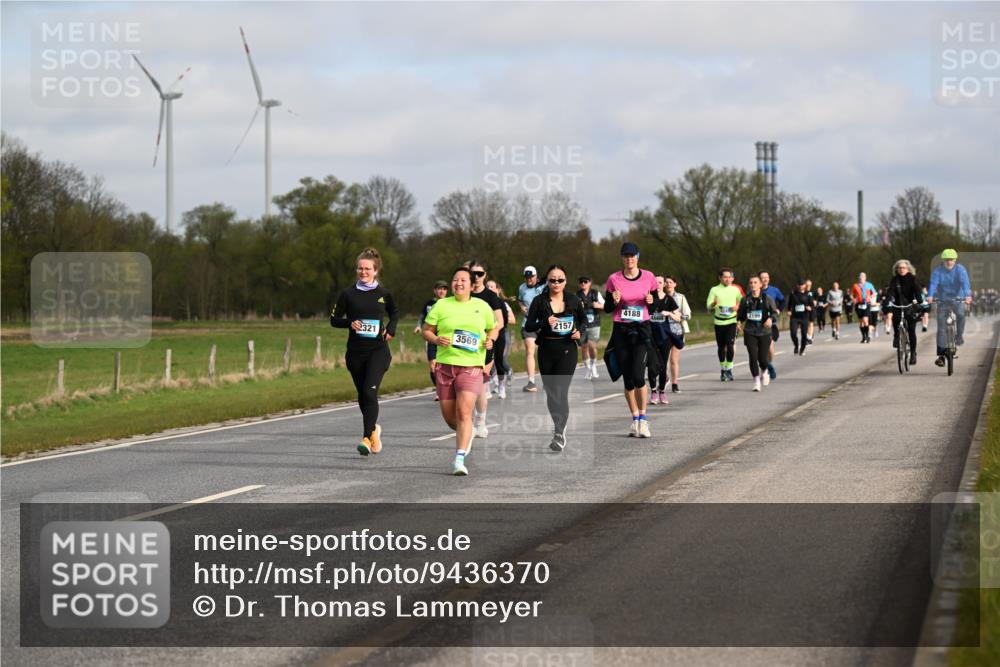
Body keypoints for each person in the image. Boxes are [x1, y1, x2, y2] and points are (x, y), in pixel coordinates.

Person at [422, 267, 496, 476]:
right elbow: (427, 330)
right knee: (449, 416)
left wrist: (490, 339)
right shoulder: (441, 305)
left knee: (464, 411)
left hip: (472, 366)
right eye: (455, 280)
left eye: (463, 280)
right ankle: (468, 431)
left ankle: (459, 459)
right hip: (445, 367)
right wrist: (436, 339)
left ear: (472, 285)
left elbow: (494, 327)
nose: (458, 283)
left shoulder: (482, 306)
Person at [330, 247, 399, 456]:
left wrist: (392, 328)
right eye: (360, 268)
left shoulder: (383, 294)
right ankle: (374, 430)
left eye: (367, 269)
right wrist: (350, 323)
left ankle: (366, 438)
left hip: (378, 351)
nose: (363, 272)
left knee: (370, 392)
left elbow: (394, 313)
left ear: (375, 270)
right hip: (355, 353)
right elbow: (334, 320)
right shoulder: (348, 294)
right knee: (363, 396)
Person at [523, 265, 588, 451]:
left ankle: (559, 433)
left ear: (565, 281)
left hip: (567, 349)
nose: (557, 283)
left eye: (560, 279)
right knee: (551, 395)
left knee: (561, 391)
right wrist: (544, 322)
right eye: (553, 280)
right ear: (548, 281)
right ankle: (558, 427)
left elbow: (583, 321)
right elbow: (529, 325)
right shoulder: (539, 301)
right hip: (546, 349)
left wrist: (579, 332)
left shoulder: (573, 300)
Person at [604, 242, 661, 438]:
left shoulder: (649, 277)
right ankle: (634, 419)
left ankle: (644, 421)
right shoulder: (614, 279)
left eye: (633, 256)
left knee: (638, 376)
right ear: (622, 258)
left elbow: (655, 305)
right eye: (626, 256)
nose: (630, 259)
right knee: (628, 380)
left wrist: (652, 302)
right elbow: (607, 308)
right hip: (621, 330)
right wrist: (614, 301)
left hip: (642, 330)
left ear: (638, 257)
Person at [466, 260, 505, 438]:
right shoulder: (463, 293)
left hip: (483, 346)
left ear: (485, 276)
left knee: (479, 384)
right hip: (463, 345)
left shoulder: (491, 297)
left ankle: (480, 422)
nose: (476, 277)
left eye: (480, 274)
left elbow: (499, 322)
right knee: (465, 386)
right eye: (473, 273)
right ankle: (466, 421)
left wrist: (490, 338)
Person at [927, 249, 973, 367]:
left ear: (955, 260)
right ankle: (941, 356)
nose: (949, 262)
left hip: (958, 298)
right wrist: (931, 295)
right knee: (941, 328)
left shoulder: (960, 270)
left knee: (961, 315)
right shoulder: (938, 271)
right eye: (947, 260)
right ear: (943, 260)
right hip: (943, 299)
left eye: (951, 260)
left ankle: (959, 336)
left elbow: (965, 283)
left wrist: (968, 296)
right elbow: (933, 284)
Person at [738, 275, 780, 391]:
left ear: (760, 284)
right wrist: (739, 322)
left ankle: (765, 371)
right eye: (751, 283)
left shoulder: (767, 298)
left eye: (755, 282)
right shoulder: (745, 299)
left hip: (764, 332)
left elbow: (775, 313)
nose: (753, 285)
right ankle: (756, 381)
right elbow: (740, 315)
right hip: (750, 331)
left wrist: (770, 319)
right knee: (752, 357)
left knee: (762, 358)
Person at [648, 275, 680, 404]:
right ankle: (653, 391)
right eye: (655, 282)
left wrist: (669, 313)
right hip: (650, 336)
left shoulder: (669, 299)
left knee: (662, 365)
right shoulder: (649, 298)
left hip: (665, 337)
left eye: (660, 282)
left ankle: (662, 391)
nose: (658, 284)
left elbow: (678, 317)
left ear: (664, 285)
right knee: (651, 366)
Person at [706, 267, 743, 381]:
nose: (727, 279)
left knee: (730, 345)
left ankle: (729, 369)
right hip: (719, 322)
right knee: (721, 347)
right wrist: (714, 304)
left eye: (729, 277)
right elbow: (708, 305)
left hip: (731, 321)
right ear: (720, 278)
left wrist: (738, 307)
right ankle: (723, 369)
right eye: (725, 277)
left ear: (732, 278)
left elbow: (744, 302)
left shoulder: (735, 290)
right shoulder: (714, 290)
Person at [884, 259, 923, 365]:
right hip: (898, 304)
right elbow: (890, 291)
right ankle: (897, 336)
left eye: (903, 268)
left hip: (909, 305)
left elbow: (917, 290)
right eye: (899, 268)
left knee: (911, 330)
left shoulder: (912, 278)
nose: (901, 269)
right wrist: (887, 300)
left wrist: (919, 299)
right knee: (896, 320)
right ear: (897, 269)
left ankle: (913, 353)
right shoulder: (895, 279)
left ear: (908, 269)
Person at [415, 280, 450, 396]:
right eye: (439, 288)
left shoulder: (451, 303)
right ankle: (439, 390)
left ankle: (448, 388)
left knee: (446, 365)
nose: (442, 291)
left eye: (444, 289)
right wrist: (418, 326)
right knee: (433, 366)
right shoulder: (429, 304)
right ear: (434, 290)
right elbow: (422, 316)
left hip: (446, 338)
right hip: (432, 337)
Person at [518, 266, 547, 392]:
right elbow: (519, 300)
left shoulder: (544, 286)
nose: (529, 279)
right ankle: (531, 382)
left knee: (545, 352)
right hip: (528, 324)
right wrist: (522, 307)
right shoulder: (522, 287)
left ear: (536, 276)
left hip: (543, 323)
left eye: (531, 277)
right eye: (527, 277)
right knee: (530, 350)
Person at [487, 279, 516, 398]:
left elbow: (511, 320)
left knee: (499, 360)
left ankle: (501, 385)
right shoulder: (482, 302)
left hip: (501, 333)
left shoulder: (502, 303)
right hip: (486, 335)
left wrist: (497, 320)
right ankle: (488, 388)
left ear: (497, 290)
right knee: (487, 361)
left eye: (492, 287)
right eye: (487, 286)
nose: (489, 289)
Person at [663, 275, 691, 394]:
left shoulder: (681, 298)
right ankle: (664, 378)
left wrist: (678, 316)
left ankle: (675, 384)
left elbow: (688, 315)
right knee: (662, 360)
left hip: (677, 331)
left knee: (674, 360)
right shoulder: (660, 297)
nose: (668, 284)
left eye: (671, 282)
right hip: (663, 331)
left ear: (675, 284)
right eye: (666, 282)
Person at [577, 276, 606, 380]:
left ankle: (593, 365)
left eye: (585, 282)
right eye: (581, 282)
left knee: (592, 346)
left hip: (594, 323)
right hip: (582, 325)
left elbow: (605, 305)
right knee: (584, 347)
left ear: (590, 283)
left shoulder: (595, 293)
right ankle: (587, 369)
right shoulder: (577, 295)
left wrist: (598, 305)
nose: (583, 283)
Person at [759, 271, 785, 380]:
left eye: (767, 277)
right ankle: (765, 367)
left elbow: (782, 301)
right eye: (763, 278)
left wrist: (779, 310)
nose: (765, 279)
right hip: (757, 323)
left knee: (769, 348)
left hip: (771, 322)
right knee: (759, 349)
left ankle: (768, 365)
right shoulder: (755, 290)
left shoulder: (774, 290)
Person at [787, 279, 812, 355]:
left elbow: (812, 305)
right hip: (795, 317)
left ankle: (802, 349)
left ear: (805, 285)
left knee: (804, 334)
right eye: (799, 285)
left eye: (802, 285)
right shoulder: (793, 293)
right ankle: (796, 345)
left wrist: (809, 308)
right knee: (793, 333)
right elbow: (789, 304)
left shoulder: (808, 294)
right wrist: (789, 311)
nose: (801, 286)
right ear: (797, 286)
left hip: (804, 317)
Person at [850, 272, 877, 343]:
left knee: (865, 320)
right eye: (860, 277)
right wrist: (853, 299)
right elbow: (851, 294)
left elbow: (874, 293)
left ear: (865, 278)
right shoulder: (855, 285)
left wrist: (870, 297)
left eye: (862, 277)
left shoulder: (869, 285)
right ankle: (863, 337)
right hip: (858, 304)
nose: (861, 278)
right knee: (861, 322)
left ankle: (868, 336)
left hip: (866, 304)